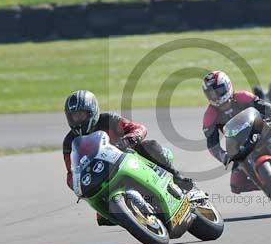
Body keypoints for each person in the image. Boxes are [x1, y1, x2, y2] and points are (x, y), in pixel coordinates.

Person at [63, 90, 194, 223]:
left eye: (81, 114)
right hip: (101, 175)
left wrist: (130, 139)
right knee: (103, 218)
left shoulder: (109, 119)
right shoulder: (69, 142)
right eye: (73, 116)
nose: (77, 120)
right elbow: (71, 171)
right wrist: (74, 183)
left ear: (92, 111)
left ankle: (177, 176)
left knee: (147, 145)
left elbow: (137, 128)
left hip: (126, 157)